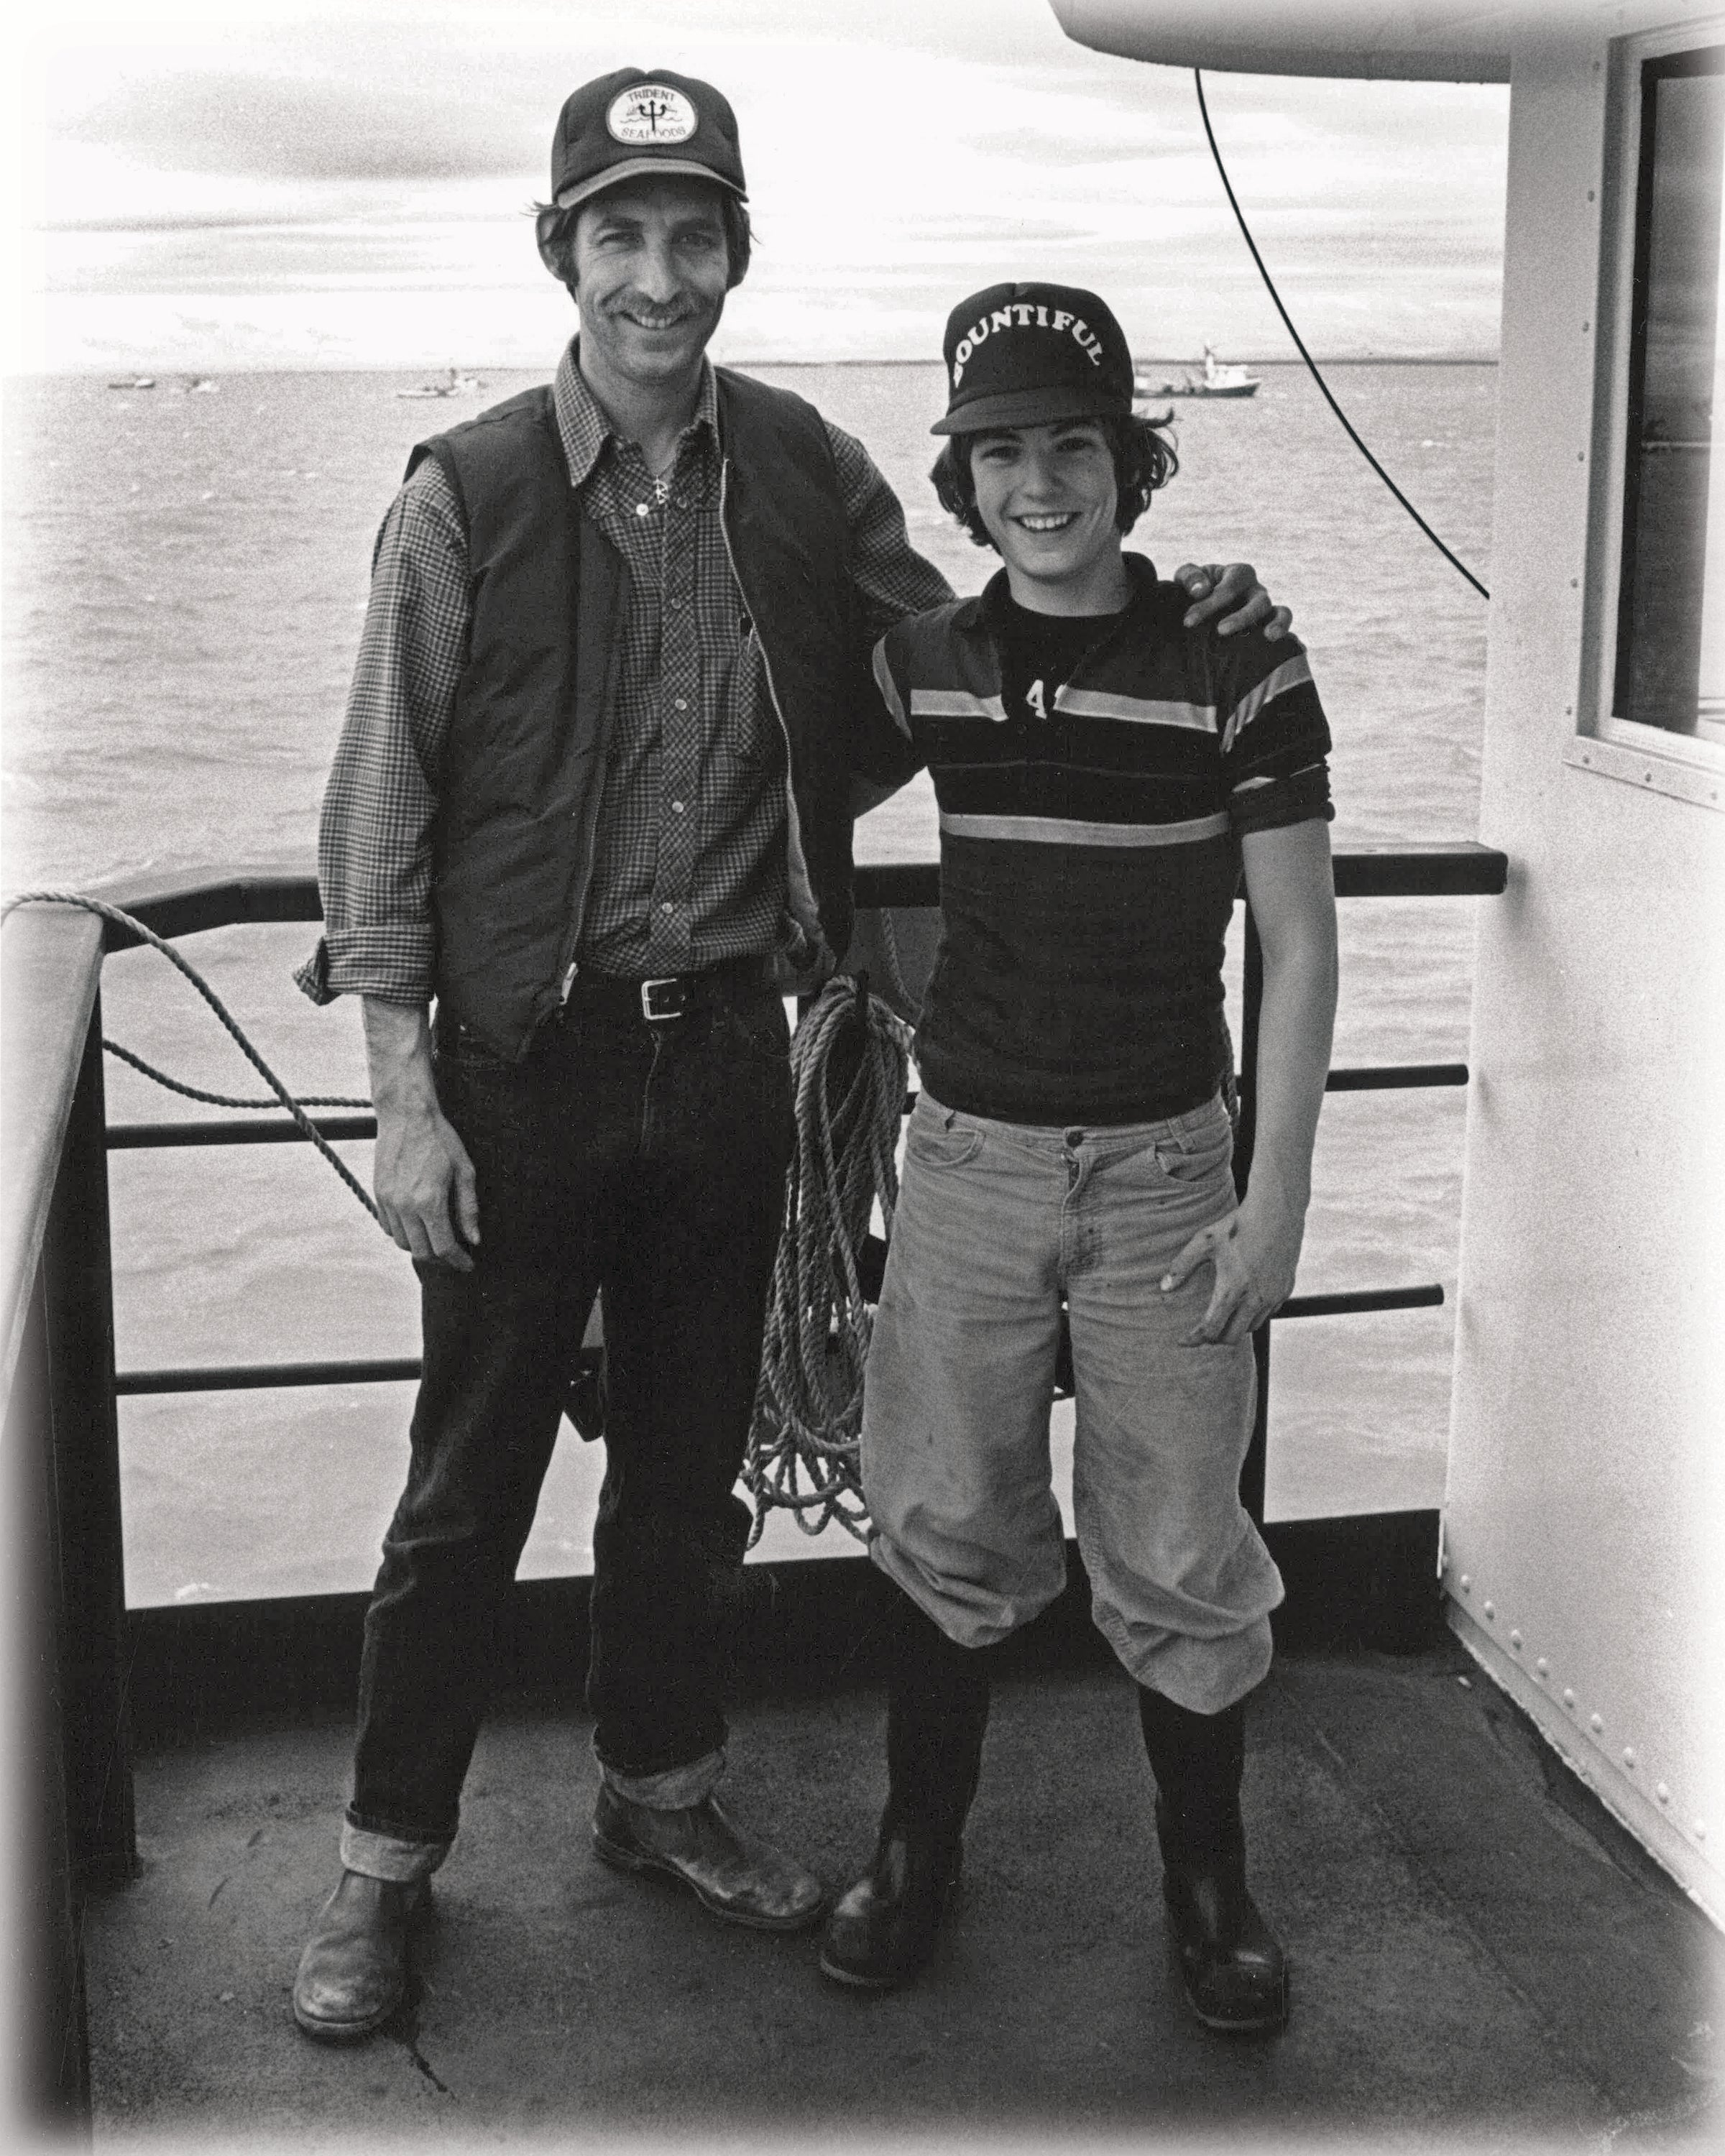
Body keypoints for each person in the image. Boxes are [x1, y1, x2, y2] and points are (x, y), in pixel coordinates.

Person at [289, 68, 1294, 2044]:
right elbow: (378, 812)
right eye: (620, 237)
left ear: (735, 255)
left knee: (685, 1480)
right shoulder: (466, 493)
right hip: (520, 1066)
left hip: (735, 1058)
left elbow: (992, 641)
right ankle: (382, 1864)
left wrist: (1190, 609)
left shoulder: (805, 469)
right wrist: (401, 1096)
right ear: (562, 253)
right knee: (461, 1489)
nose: (658, 278)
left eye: (693, 238)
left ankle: (657, 1796)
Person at [818, 282, 1338, 2037]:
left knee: (1185, 1546)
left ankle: (1209, 1887)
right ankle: (918, 1849)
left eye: (1075, 444)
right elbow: (764, 785)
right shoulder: (925, 665)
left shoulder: (1238, 657)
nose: (1043, 482)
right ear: (961, 485)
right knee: (945, 1523)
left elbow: (1300, 942)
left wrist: (1277, 1207)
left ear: (1134, 461)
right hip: (961, 1163)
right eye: (1003, 452)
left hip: (1170, 1178)